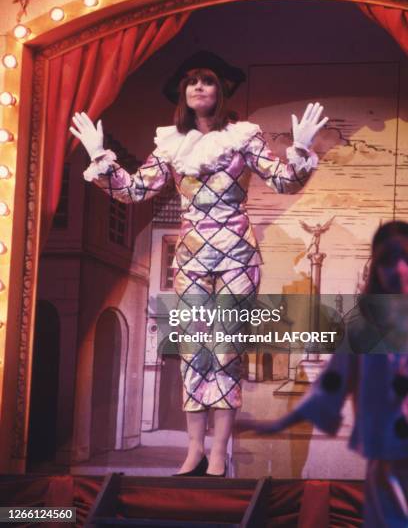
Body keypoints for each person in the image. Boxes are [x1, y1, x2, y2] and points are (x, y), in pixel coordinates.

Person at [69, 51, 328, 477]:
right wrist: (100, 158)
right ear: (183, 94)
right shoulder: (172, 144)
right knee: (194, 352)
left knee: (225, 352)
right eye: (191, 82)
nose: (198, 88)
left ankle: (221, 450)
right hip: (190, 257)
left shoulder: (244, 137)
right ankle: (193, 450)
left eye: (207, 81)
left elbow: (285, 180)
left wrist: (299, 149)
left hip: (236, 257)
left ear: (221, 90)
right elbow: (135, 190)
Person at [254, 220, 408, 526]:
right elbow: (329, 388)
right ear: (376, 268)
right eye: (389, 260)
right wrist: (277, 424)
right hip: (387, 470)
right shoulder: (361, 331)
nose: (400, 269)